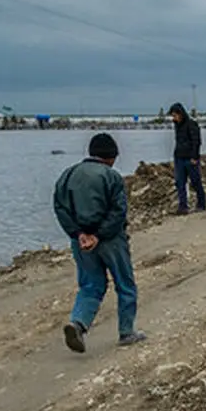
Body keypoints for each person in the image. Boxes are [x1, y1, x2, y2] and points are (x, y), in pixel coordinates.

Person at [53, 133, 146, 352]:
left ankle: (78, 323)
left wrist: (78, 234)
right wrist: (99, 235)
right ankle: (127, 332)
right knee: (125, 284)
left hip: (82, 242)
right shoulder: (111, 177)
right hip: (110, 239)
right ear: (111, 157)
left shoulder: (68, 175)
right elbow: (118, 211)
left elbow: (60, 208)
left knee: (91, 285)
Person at [168, 102, 206, 214]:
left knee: (195, 182)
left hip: (190, 158)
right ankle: (183, 207)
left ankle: (201, 204)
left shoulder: (191, 124)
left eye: (175, 115)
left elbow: (197, 141)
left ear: (181, 114)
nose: (174, 118)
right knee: (180, 183)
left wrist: (195, 157)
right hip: (179, 158)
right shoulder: (176, 126)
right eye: (172, 116)